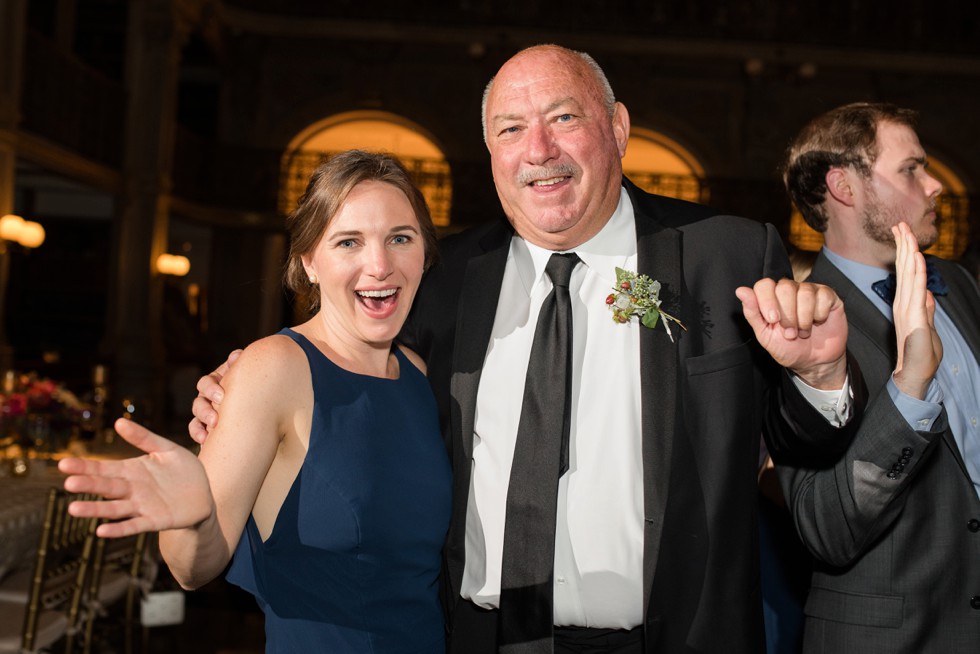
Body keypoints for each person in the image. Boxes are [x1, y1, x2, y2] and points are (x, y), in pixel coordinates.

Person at [193, 46, 860, 653]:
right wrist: (250, 388)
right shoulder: (442, 279)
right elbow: (350, 367)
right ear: (490, 151)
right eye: (511, 128)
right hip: (478, 638)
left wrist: (821, 375)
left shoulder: (728, 253)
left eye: (564, 117)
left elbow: (798, 447)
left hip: (673, 638)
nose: (538, 149)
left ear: (618, 128)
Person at [59, 150, 452, 653]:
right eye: (348, 242)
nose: (379, 265)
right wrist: (192, 516)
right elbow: (193, 569)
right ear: (309, 261)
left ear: (424, 253)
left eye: (400, 238)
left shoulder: (418, 374)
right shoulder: (276, 368)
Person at [780, 102, 980, 652]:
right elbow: (828, 529)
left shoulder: (960, 285)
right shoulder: (795, 322)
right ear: (844, 187)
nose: (936, 184)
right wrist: (910, 386)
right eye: (911, 169)